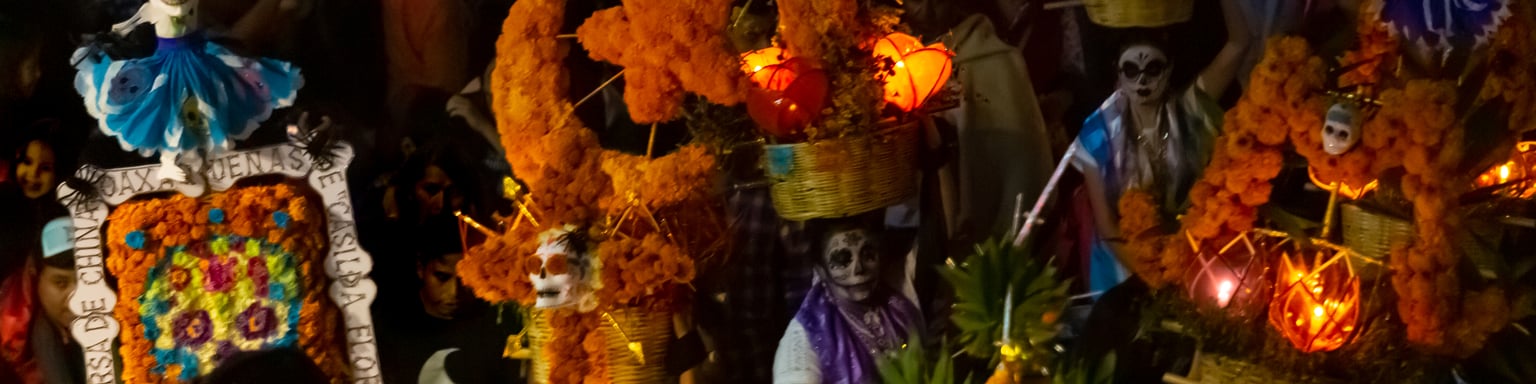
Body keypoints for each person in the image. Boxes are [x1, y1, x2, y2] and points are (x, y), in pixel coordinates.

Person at [1070, 0, 1250, 292]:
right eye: (1131, 70)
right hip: (1121, 273)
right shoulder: (1098, 133)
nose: (1142, 80)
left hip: (1191, 262)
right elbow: (1107, 228)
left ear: (1169, 70)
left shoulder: (1190, 110)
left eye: (1153, 69)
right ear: (1118, 73)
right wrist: (1152, 277)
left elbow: (1239, 44)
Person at [73, 0, 304, 182]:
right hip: (168, 62)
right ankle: (169, 161)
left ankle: (214, 151)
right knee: (167, 109)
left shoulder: (189, 3)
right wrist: (112, 38)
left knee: (208, 101)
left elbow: (193, 17)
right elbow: (129, 24)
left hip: (197, 56)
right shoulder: (155, 7)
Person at [773, 214, 924, 384]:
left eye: (868, 255)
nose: (858, 268)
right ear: (821, 270)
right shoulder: (805, 338)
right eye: (842, 260)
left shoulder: (895, 297)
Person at [374, 222, 517, 384]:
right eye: (442, 277)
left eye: (465, 280)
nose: (454, 292)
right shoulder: (388, 328)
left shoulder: (496, 324)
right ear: (420, 269)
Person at [1, 217, 84, 384]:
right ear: (35, 277)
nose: (76, 296)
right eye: (61, 283)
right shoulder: (9, 342)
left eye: (86, 281)